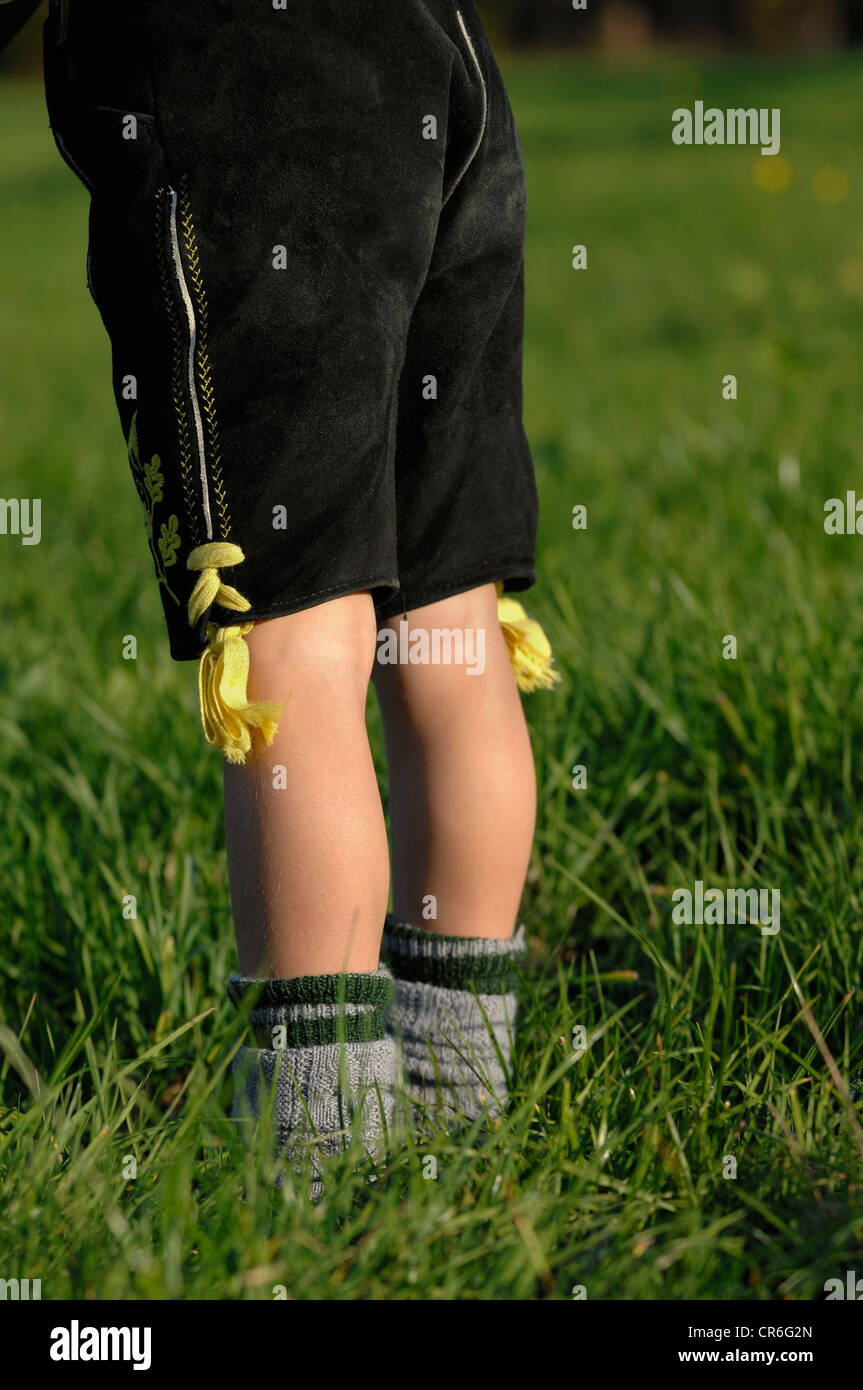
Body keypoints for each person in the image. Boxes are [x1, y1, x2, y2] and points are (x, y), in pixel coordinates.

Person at [23, 0, 558, 1186]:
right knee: (447, 616)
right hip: (443, 72)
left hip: (249, 103)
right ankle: (456, 1106)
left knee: (290, 638)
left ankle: (318, 1159)